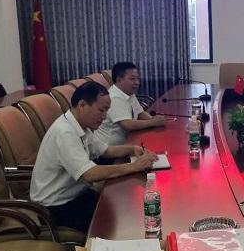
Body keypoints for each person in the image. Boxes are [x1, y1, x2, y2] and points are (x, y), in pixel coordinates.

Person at [31, 81, 158, 232]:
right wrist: (134, 166)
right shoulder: (65, 133)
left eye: (106, 111)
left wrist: (132, 149)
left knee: (122, 207)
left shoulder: (81, 125)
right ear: (82, 105)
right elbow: (90, 174)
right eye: (101, 110)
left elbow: (106, 150)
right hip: (56, 207)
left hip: (76, 194)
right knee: (115, 225)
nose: (104, 117)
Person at [94, 61, 165, 146]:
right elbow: (128, 124)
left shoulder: (128, 92)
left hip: (129, 141)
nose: (137, 82)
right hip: (110, 149)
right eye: (132, 79)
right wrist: (153, 122)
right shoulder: (113, 97)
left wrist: (153, 119)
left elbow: (140, 113)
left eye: (137, 79)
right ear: (119, 80)